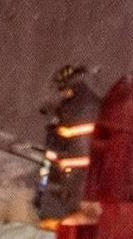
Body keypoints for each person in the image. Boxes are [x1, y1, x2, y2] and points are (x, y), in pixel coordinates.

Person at [36, 63, 101, 227]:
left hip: (78, 172)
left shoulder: (70, 109)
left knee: (76, 213)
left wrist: (54, 124)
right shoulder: (94, 102)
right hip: (91, 171)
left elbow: (58, 145)